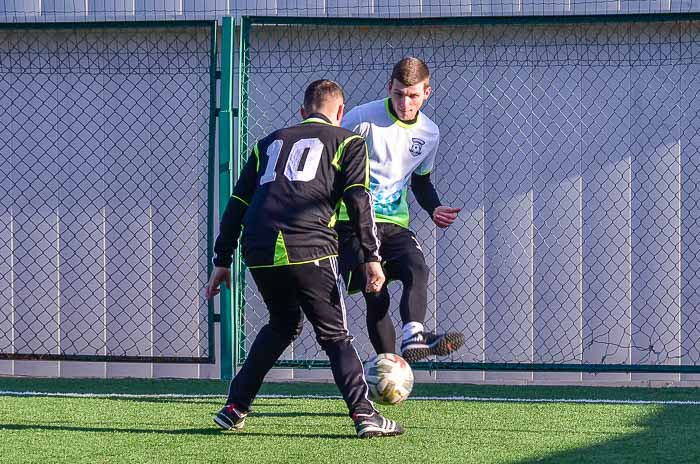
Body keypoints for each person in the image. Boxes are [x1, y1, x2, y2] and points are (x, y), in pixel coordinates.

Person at [205, 79, 402, 439]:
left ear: (302, 112)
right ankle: (365, 415)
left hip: (259, 248)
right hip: (309, 245)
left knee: (282, 324)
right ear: (340, 112)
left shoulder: (267, 143)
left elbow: (237, 203)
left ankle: (235, 407)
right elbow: (360, 200)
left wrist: (222, 258)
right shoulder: (348, 141)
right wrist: (372, 256)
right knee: (335, 336)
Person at [335, 57, 465, 363]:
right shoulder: (361, 118)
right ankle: (389, 365)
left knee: (417, 269)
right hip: (351, 223)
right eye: (399, 94)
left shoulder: (429, 133)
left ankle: (412, 338)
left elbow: (420, 183)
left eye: (413, 95)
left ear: (427, 93)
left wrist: (434, 208)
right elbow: (329, 161)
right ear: (389, 88)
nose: (405, 102)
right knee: (376, 293)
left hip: (395, 222)